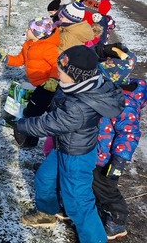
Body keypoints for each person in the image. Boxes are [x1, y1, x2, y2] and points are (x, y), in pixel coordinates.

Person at [15, 45, 125, 243]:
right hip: (63, 147)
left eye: (61, 70)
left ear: (75, 77)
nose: (58, 71)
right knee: (45, 178)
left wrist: (21, 125)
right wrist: (100, 52)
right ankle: (47, 213)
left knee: (78, 203)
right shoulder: (85, 80)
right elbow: (87, 58)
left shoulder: (79, 106)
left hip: (77, 157)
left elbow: (47, 124)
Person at [93, 51, 145, 240]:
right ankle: (98, 208)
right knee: (94, 184)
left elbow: (129, 134)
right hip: (97, 152)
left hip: (108, 159)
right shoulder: (109, 93)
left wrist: (119, 160)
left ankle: (117, 220)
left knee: (107, 189)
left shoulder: (124, 103)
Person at [0, 17, 60, 148]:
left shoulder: (48, 48)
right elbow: (20, 60)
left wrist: (53, 80)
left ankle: (28, 142)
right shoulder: (28, 45)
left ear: (38, 33)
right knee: (51, 111)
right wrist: (5, 58)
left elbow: (58, 65)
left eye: (29, 29)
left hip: (47, 87)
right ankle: (57, 133)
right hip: (39, 85)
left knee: (32, 113)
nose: (26, 30)